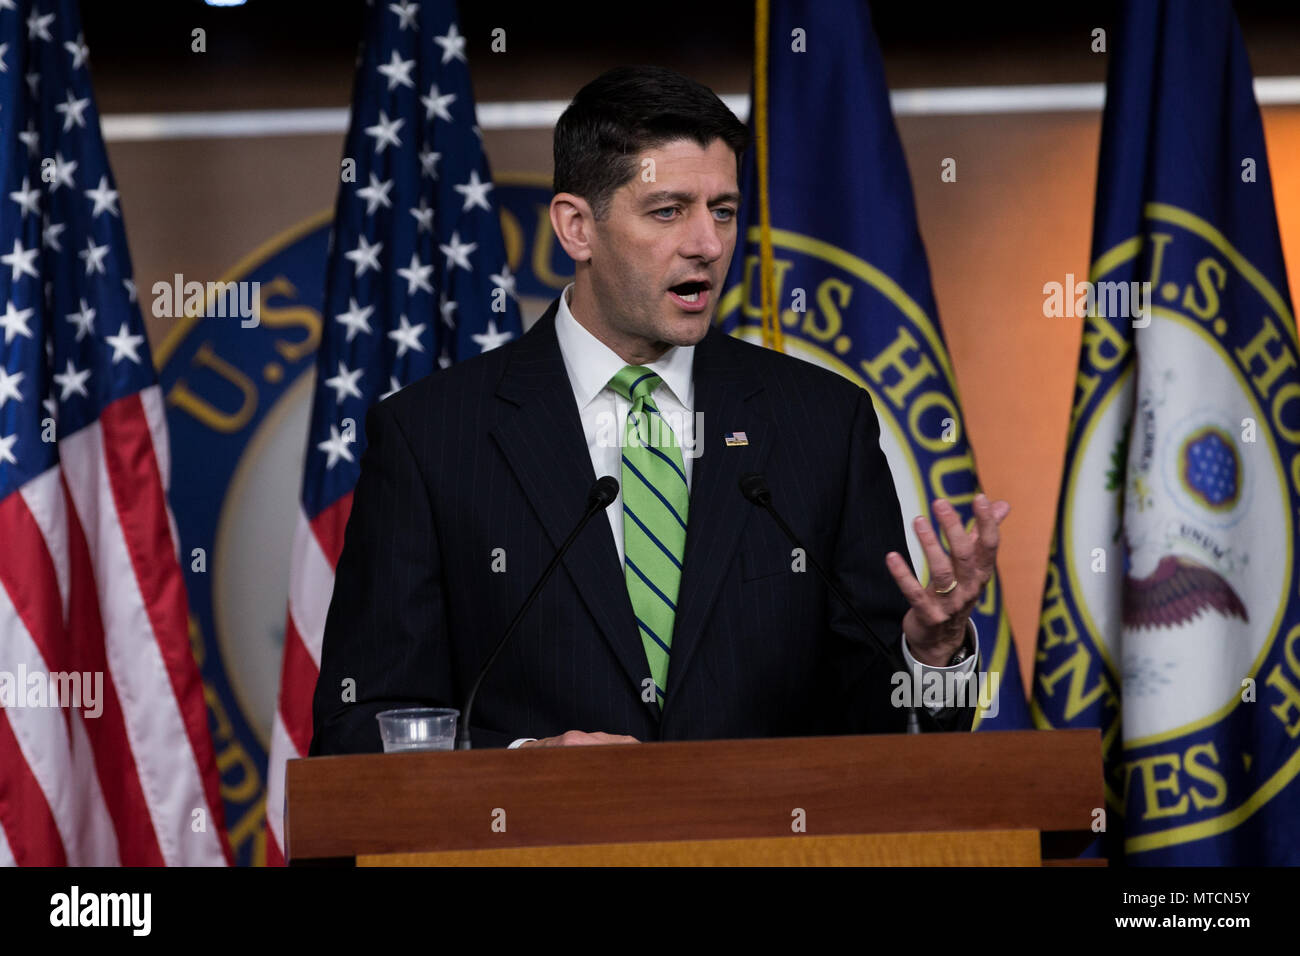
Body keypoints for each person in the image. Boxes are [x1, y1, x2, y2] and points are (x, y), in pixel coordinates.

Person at [310, 65, 1009, 753]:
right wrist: (526, 767)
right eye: (668, 211)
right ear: (577, 228)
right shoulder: (432, 437)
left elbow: (899, 737)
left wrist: (934, 659)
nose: (707, 243)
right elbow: (363, 727)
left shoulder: (823, 422)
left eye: (725, 211)